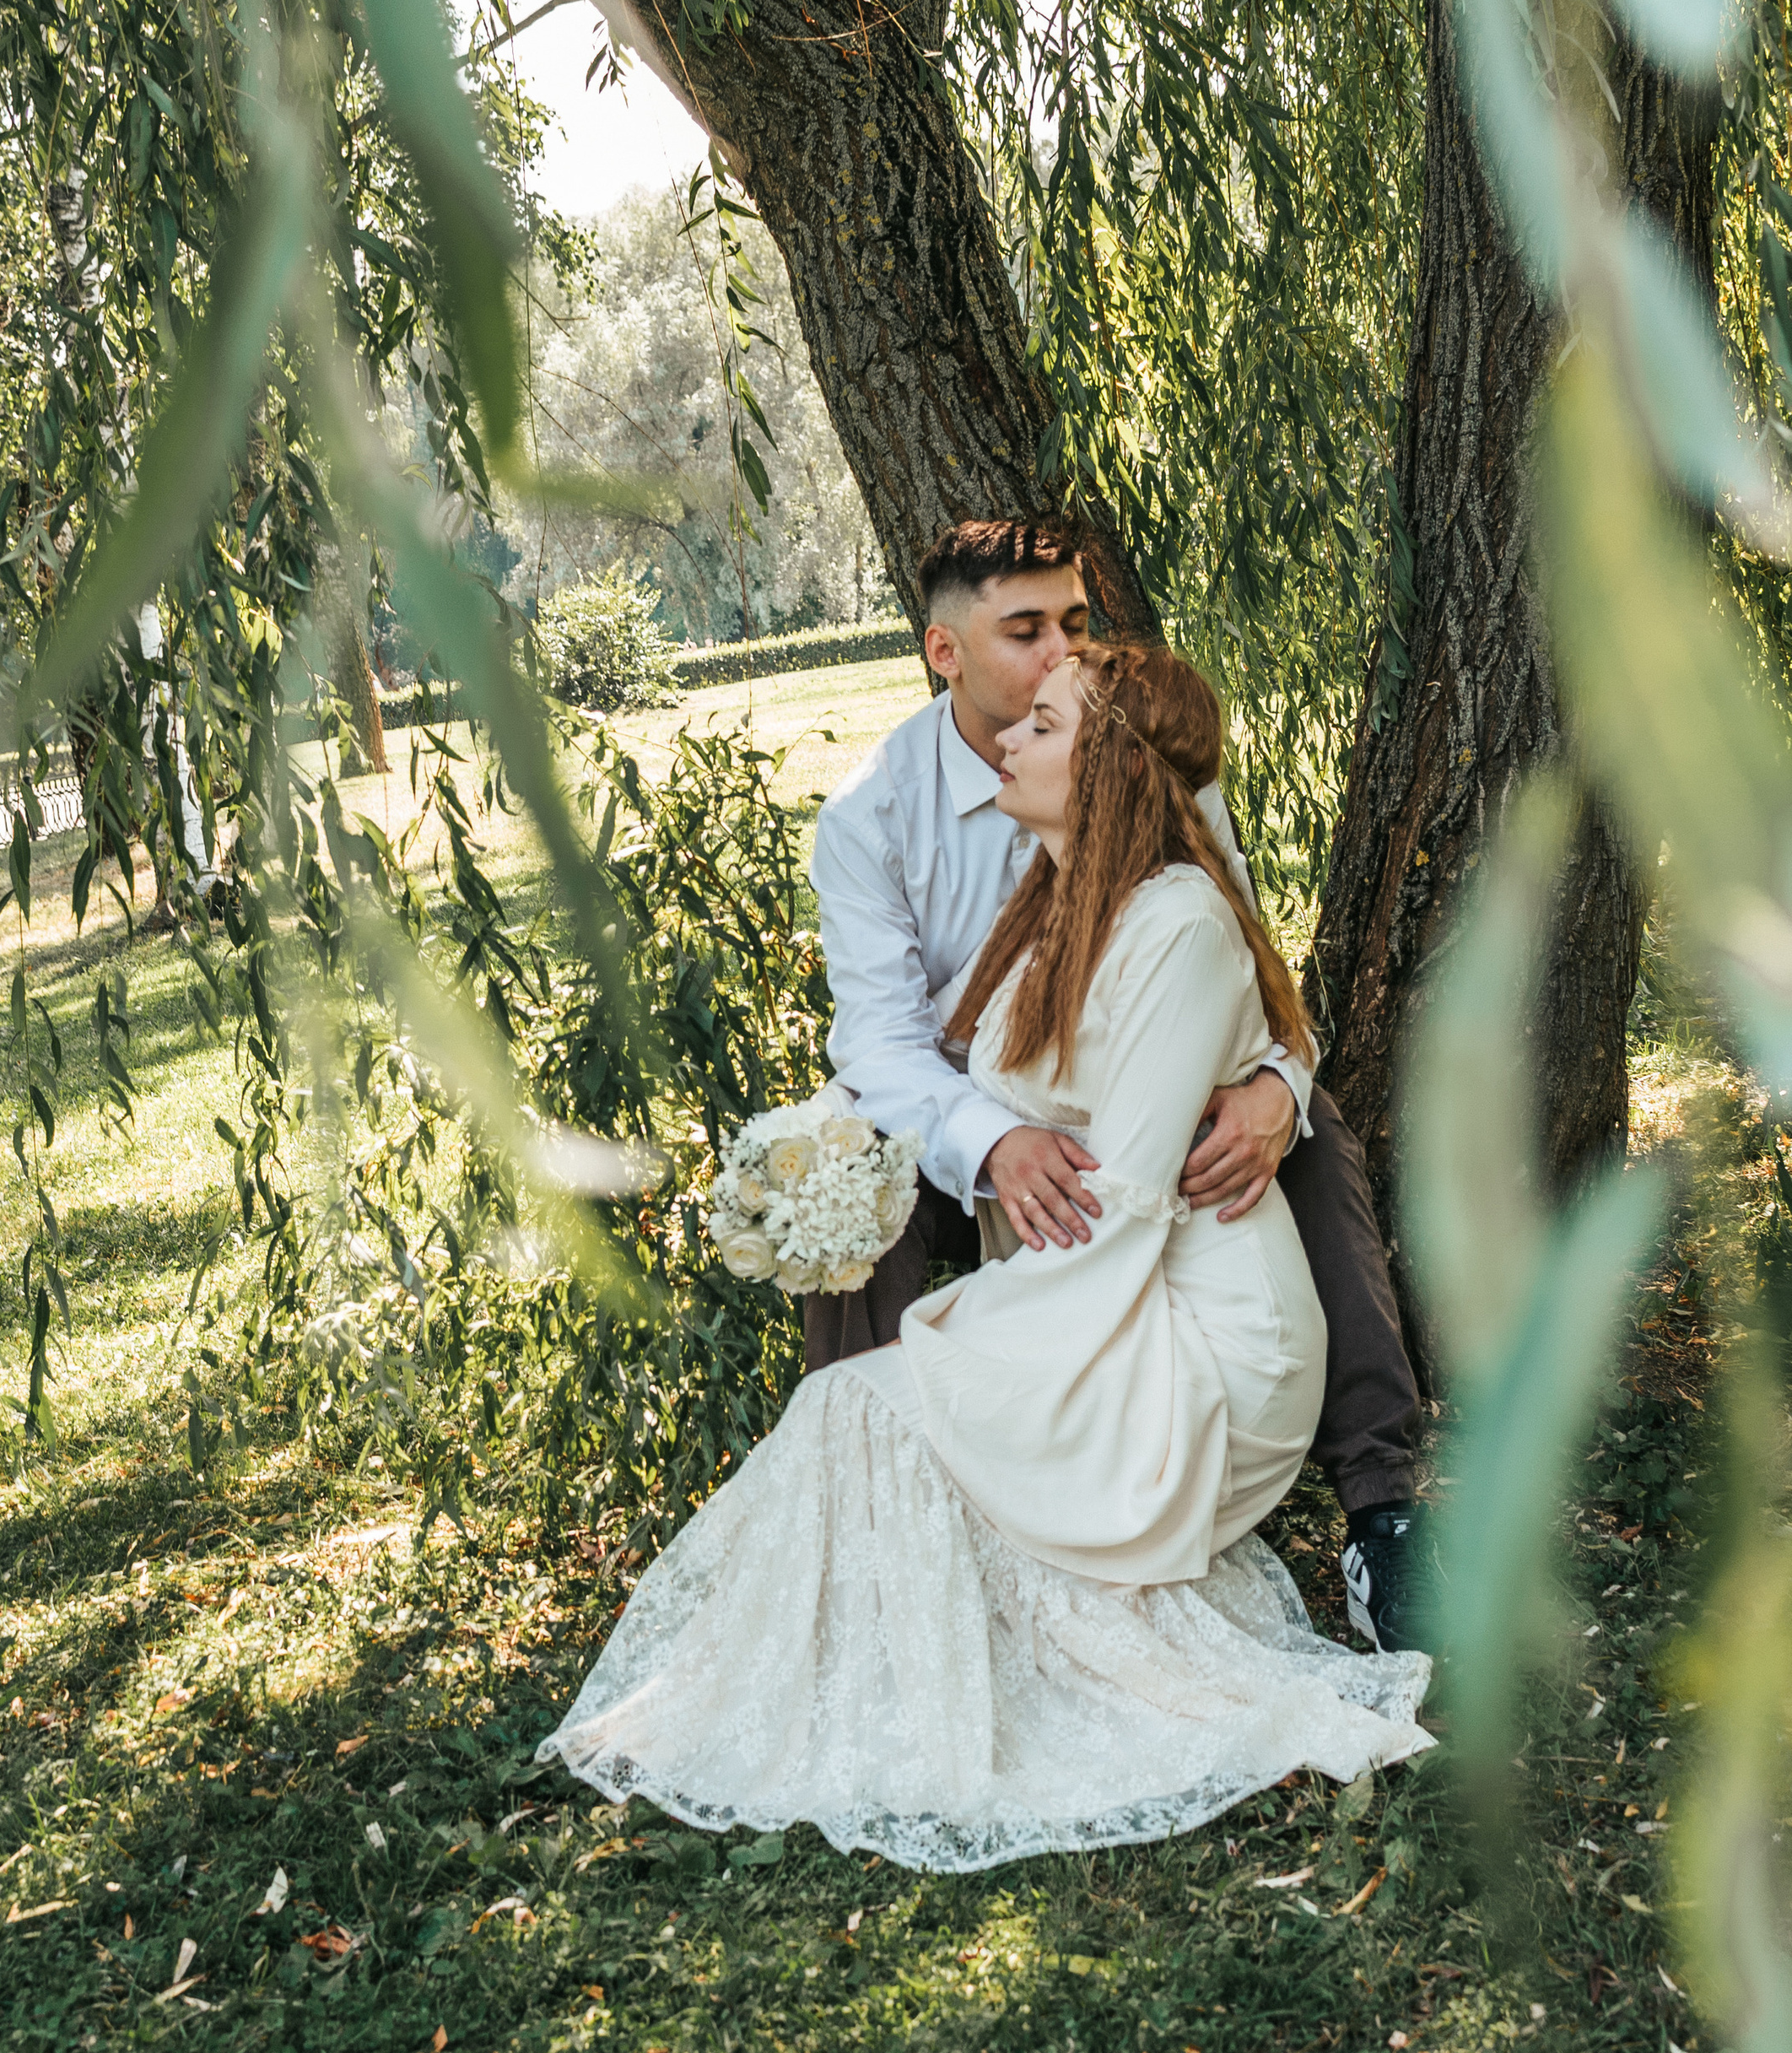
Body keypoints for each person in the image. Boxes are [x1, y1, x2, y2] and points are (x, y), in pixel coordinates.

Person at [539, 643, 1432, 1866]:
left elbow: (1126, 1197)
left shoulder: (1174, 917)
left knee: (868, 1409)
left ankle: (1376, 1514)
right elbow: (902, 1061)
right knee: (852, 1416)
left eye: (1045, 723)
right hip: (1085, 1285)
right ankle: (812, 1684)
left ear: (1110, 767)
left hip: (1193, 1330)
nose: (1011, 735)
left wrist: (958, 1336)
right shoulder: (1035, 887)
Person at [805, 517, 1424, 1653]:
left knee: (1315, 1132)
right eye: (1026, 631)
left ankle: (1379, 1505)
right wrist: (992, 1140)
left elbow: (1240, 968)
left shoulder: (1135, 750)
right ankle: (893, 1501)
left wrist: (1278, 1088)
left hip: (1139, 1125)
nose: (1061, 655)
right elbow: (883, 1047)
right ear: (945, 653)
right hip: (968, 1123)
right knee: (843, 1162)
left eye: (1077, 624)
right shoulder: (871, 820)